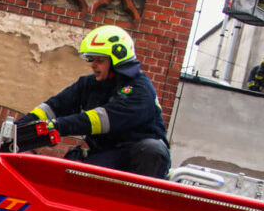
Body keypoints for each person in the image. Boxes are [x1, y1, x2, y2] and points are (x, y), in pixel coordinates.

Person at [17, 24, 171, 178]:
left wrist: (56, 126)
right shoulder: (88, 84)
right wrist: (18, 129)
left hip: (138, 155)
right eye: (91, 58)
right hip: (106, 154)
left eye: (100, 60)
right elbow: (53, 107)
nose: (93, 64)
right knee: (73, 175)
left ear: (118, 60)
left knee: (152, 149)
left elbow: (103, 119)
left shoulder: (140, 89)